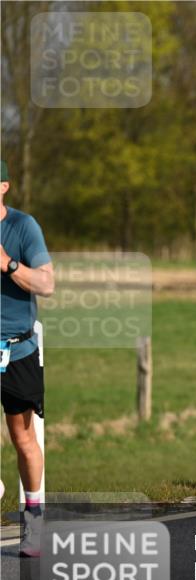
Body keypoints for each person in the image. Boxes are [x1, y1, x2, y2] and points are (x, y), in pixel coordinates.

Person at [0, 159, 55, 555]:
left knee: (23, 438)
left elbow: (46, 283)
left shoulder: (23, 226)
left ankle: (33, 521)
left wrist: (8, 264)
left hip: (17, 349)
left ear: (4, 186)